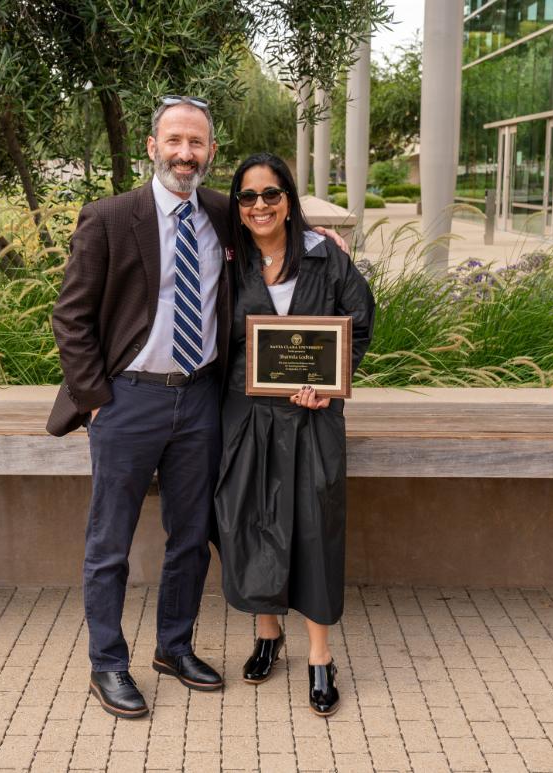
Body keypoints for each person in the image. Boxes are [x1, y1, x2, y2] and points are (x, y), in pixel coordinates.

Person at [48, 96, 229, 719]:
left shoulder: (223, 215)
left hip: (200, 397)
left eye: (197, 143)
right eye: (175, 141)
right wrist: (97, 401)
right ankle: (108, 665)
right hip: (128, 401)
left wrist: (322, 238)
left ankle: (173, 648)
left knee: (191, 537)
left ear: (210, 151)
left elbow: (279, 229)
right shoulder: (109, 217)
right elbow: (70, 316)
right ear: (152, 146)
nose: (186, 154)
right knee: (110, 543)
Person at [214, 152, 374, 717]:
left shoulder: (323, 255)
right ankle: (266, 632)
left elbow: (358, 322)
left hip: (312, 418)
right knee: (250, 521)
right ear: (238, 204)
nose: (260, 205)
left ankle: (320, 657)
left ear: (289, 200)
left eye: (271, 194)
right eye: (249, 196)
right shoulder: (227, 261)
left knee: (313, 526)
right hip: (248, 414)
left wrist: (331, 385)